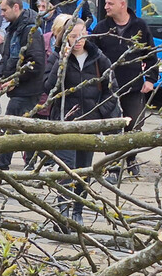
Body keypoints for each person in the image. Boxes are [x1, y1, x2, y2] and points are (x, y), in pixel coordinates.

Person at [44, 19, 121, 229]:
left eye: (80, 35)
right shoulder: (57, 57)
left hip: (89, 125)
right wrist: (62, 61)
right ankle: (63, 213)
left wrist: (99, 113)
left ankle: (77, 210)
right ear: (65, 36)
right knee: (65, 170)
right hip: (65, 123)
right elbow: (48, 88)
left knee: (83, 170)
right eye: (72, 36)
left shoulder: (99, 59)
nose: (77, 41)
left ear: (87, 34)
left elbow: (111, 89)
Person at [93, 0, 159, 181]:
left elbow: (151, 55)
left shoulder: (140, 27)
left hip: (134, 85)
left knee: (135, 125)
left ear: (122, 4)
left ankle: (131, 159)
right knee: (111, 127)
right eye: (105, 3)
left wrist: (150, 79)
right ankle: (113, 167)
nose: (105, 7)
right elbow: (93, 56)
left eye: (109, 4)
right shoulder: (101, 28)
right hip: (108, 88)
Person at [0, 0, 47, 170]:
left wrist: (15, 81)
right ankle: (27, 163)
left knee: (14, 124)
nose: (2, 14)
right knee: (22, 126)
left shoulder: (30, 30)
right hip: (17, 86)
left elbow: (36, 63)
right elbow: (7, 56)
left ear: (16, 7)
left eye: (4, 10)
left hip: (28, 88)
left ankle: (4, 163)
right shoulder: (13, 28)